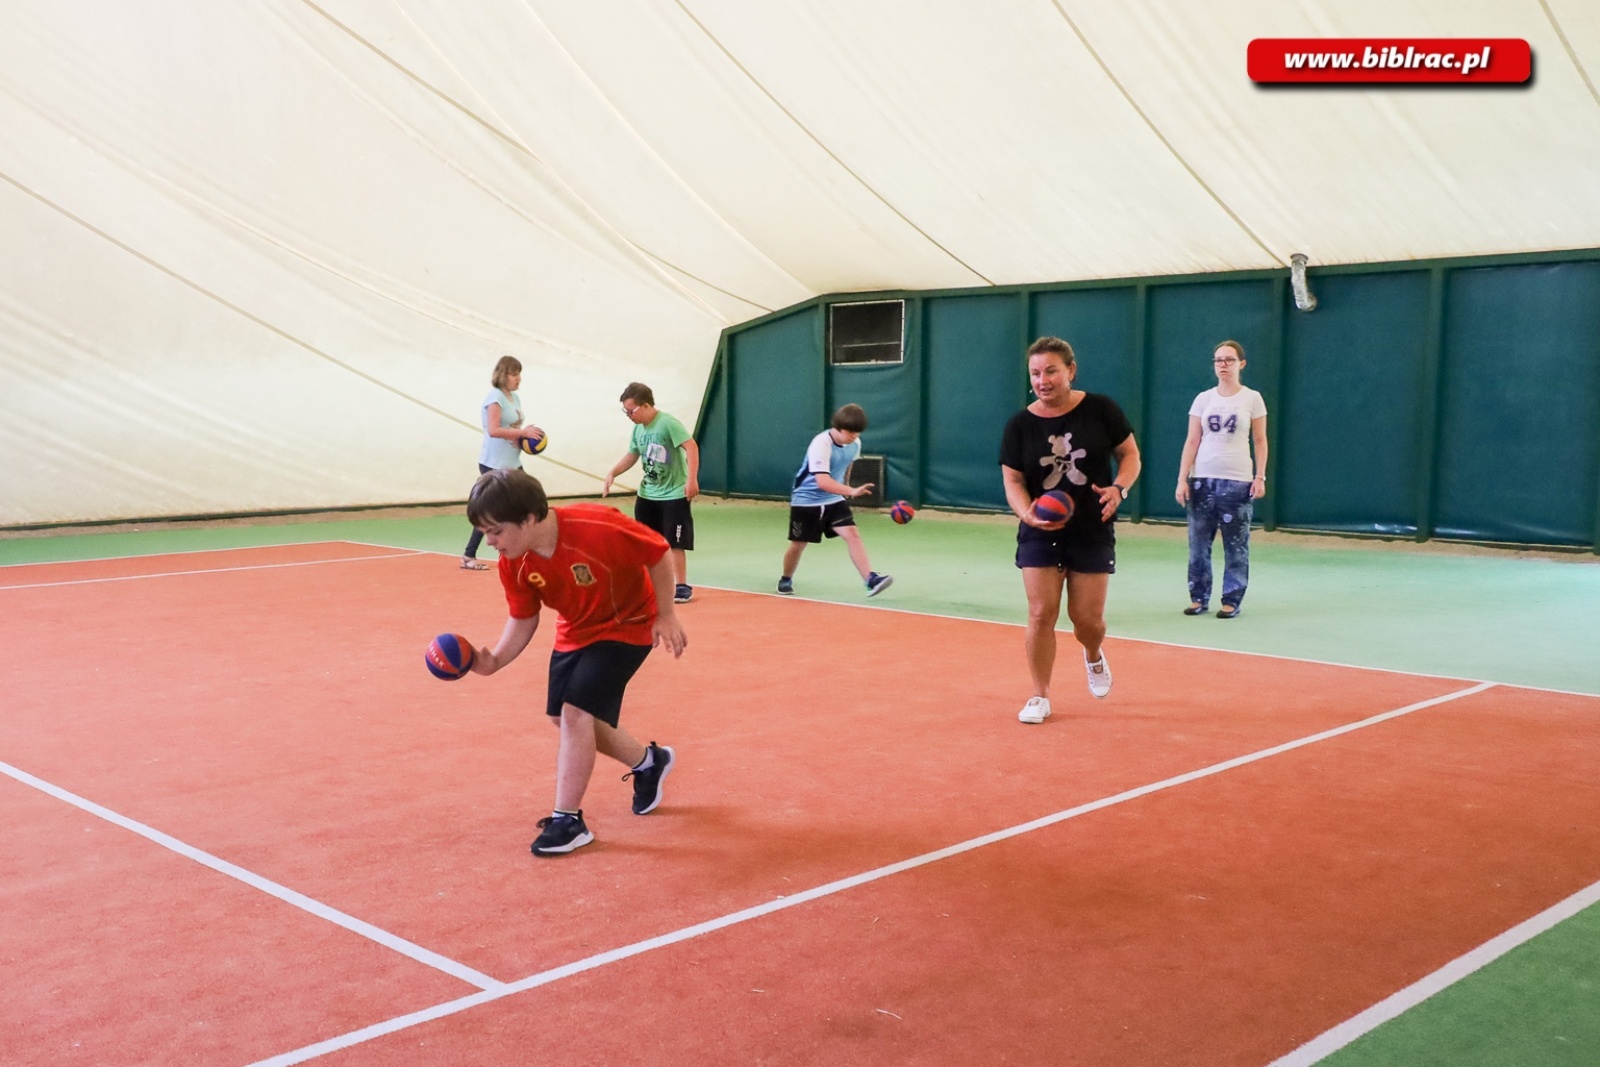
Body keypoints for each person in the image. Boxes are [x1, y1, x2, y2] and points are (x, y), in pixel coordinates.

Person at [464, 468, 686, 856]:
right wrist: (495, 659)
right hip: (576, 630)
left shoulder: (597, 526)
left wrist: (666, 614)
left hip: (629, 624)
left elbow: (657, 551)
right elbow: (523, 616)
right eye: (484, 533)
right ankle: (649, 762)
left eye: (496, 531)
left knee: (575, 713)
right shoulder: (513, 562)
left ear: (530, 518)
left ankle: (568, 820)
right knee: (563, 718)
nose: (490, 542)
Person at [1000, 337, 1141, 724]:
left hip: (1091, 528)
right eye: (1035, 373)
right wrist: (1026, 513)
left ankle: (1093, 654)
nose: (1042, 380)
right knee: (1041, 612)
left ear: (1070, 371)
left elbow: (1130, 455)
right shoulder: (1019, 425)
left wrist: (1119, 489)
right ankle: (1039, 696)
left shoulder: (1101, 409)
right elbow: (1012, 479)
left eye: (1050, 371)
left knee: (1087, 621)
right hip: (1039, 529)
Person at [1175, 340, 1268, 619]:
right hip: (1202, 481)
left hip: (1237, 482)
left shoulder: (1252, 398)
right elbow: (1192, 440)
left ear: (1242, 363)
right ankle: (1198, 597)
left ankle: (1231, 599)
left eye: (1229, 360)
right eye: (1218, 360)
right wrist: (1183, 479)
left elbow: (1260, 440)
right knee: (1198, 545)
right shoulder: (1204, 399)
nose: (1223, 365)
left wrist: (1259, 476)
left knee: (1235, 544)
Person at [779, 403, 892, 598]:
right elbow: (822, 481)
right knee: (799, 544)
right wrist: (851, 490)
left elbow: (847, 465)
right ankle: (786, 578)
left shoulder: (855, 443)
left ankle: (870, 579)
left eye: (858, 433)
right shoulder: (821, 443)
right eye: (850, 432)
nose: (854, 437)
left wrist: (845, 490)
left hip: (833, 499)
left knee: (852, 534)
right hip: (806, 500)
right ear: (837, 428)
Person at [602, 383, 699, 604]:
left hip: (673, 494)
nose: (628, 416)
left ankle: (681, 585)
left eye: (631, 411)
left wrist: (691, 479)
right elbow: (632, 455)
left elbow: (691, 447)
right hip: (648, 494)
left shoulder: (667, 423)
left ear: (645, 405)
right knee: (646, 541)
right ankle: (648, 584)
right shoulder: (638, 430)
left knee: (674, 541)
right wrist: (613, 473)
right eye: (625, 411)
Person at [461, 356, 544, 570]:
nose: (518, 378)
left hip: (512, 461)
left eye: (519, 374)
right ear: (503, 375)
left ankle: (531, 548)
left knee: (531, 502)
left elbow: (512, 429)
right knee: (489, 510)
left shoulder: (514, 398)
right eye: (514, 374)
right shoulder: (494, 398)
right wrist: (523, 432)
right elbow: (494, 429)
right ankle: (469, 555)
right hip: (494, 463)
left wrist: (523, 440)